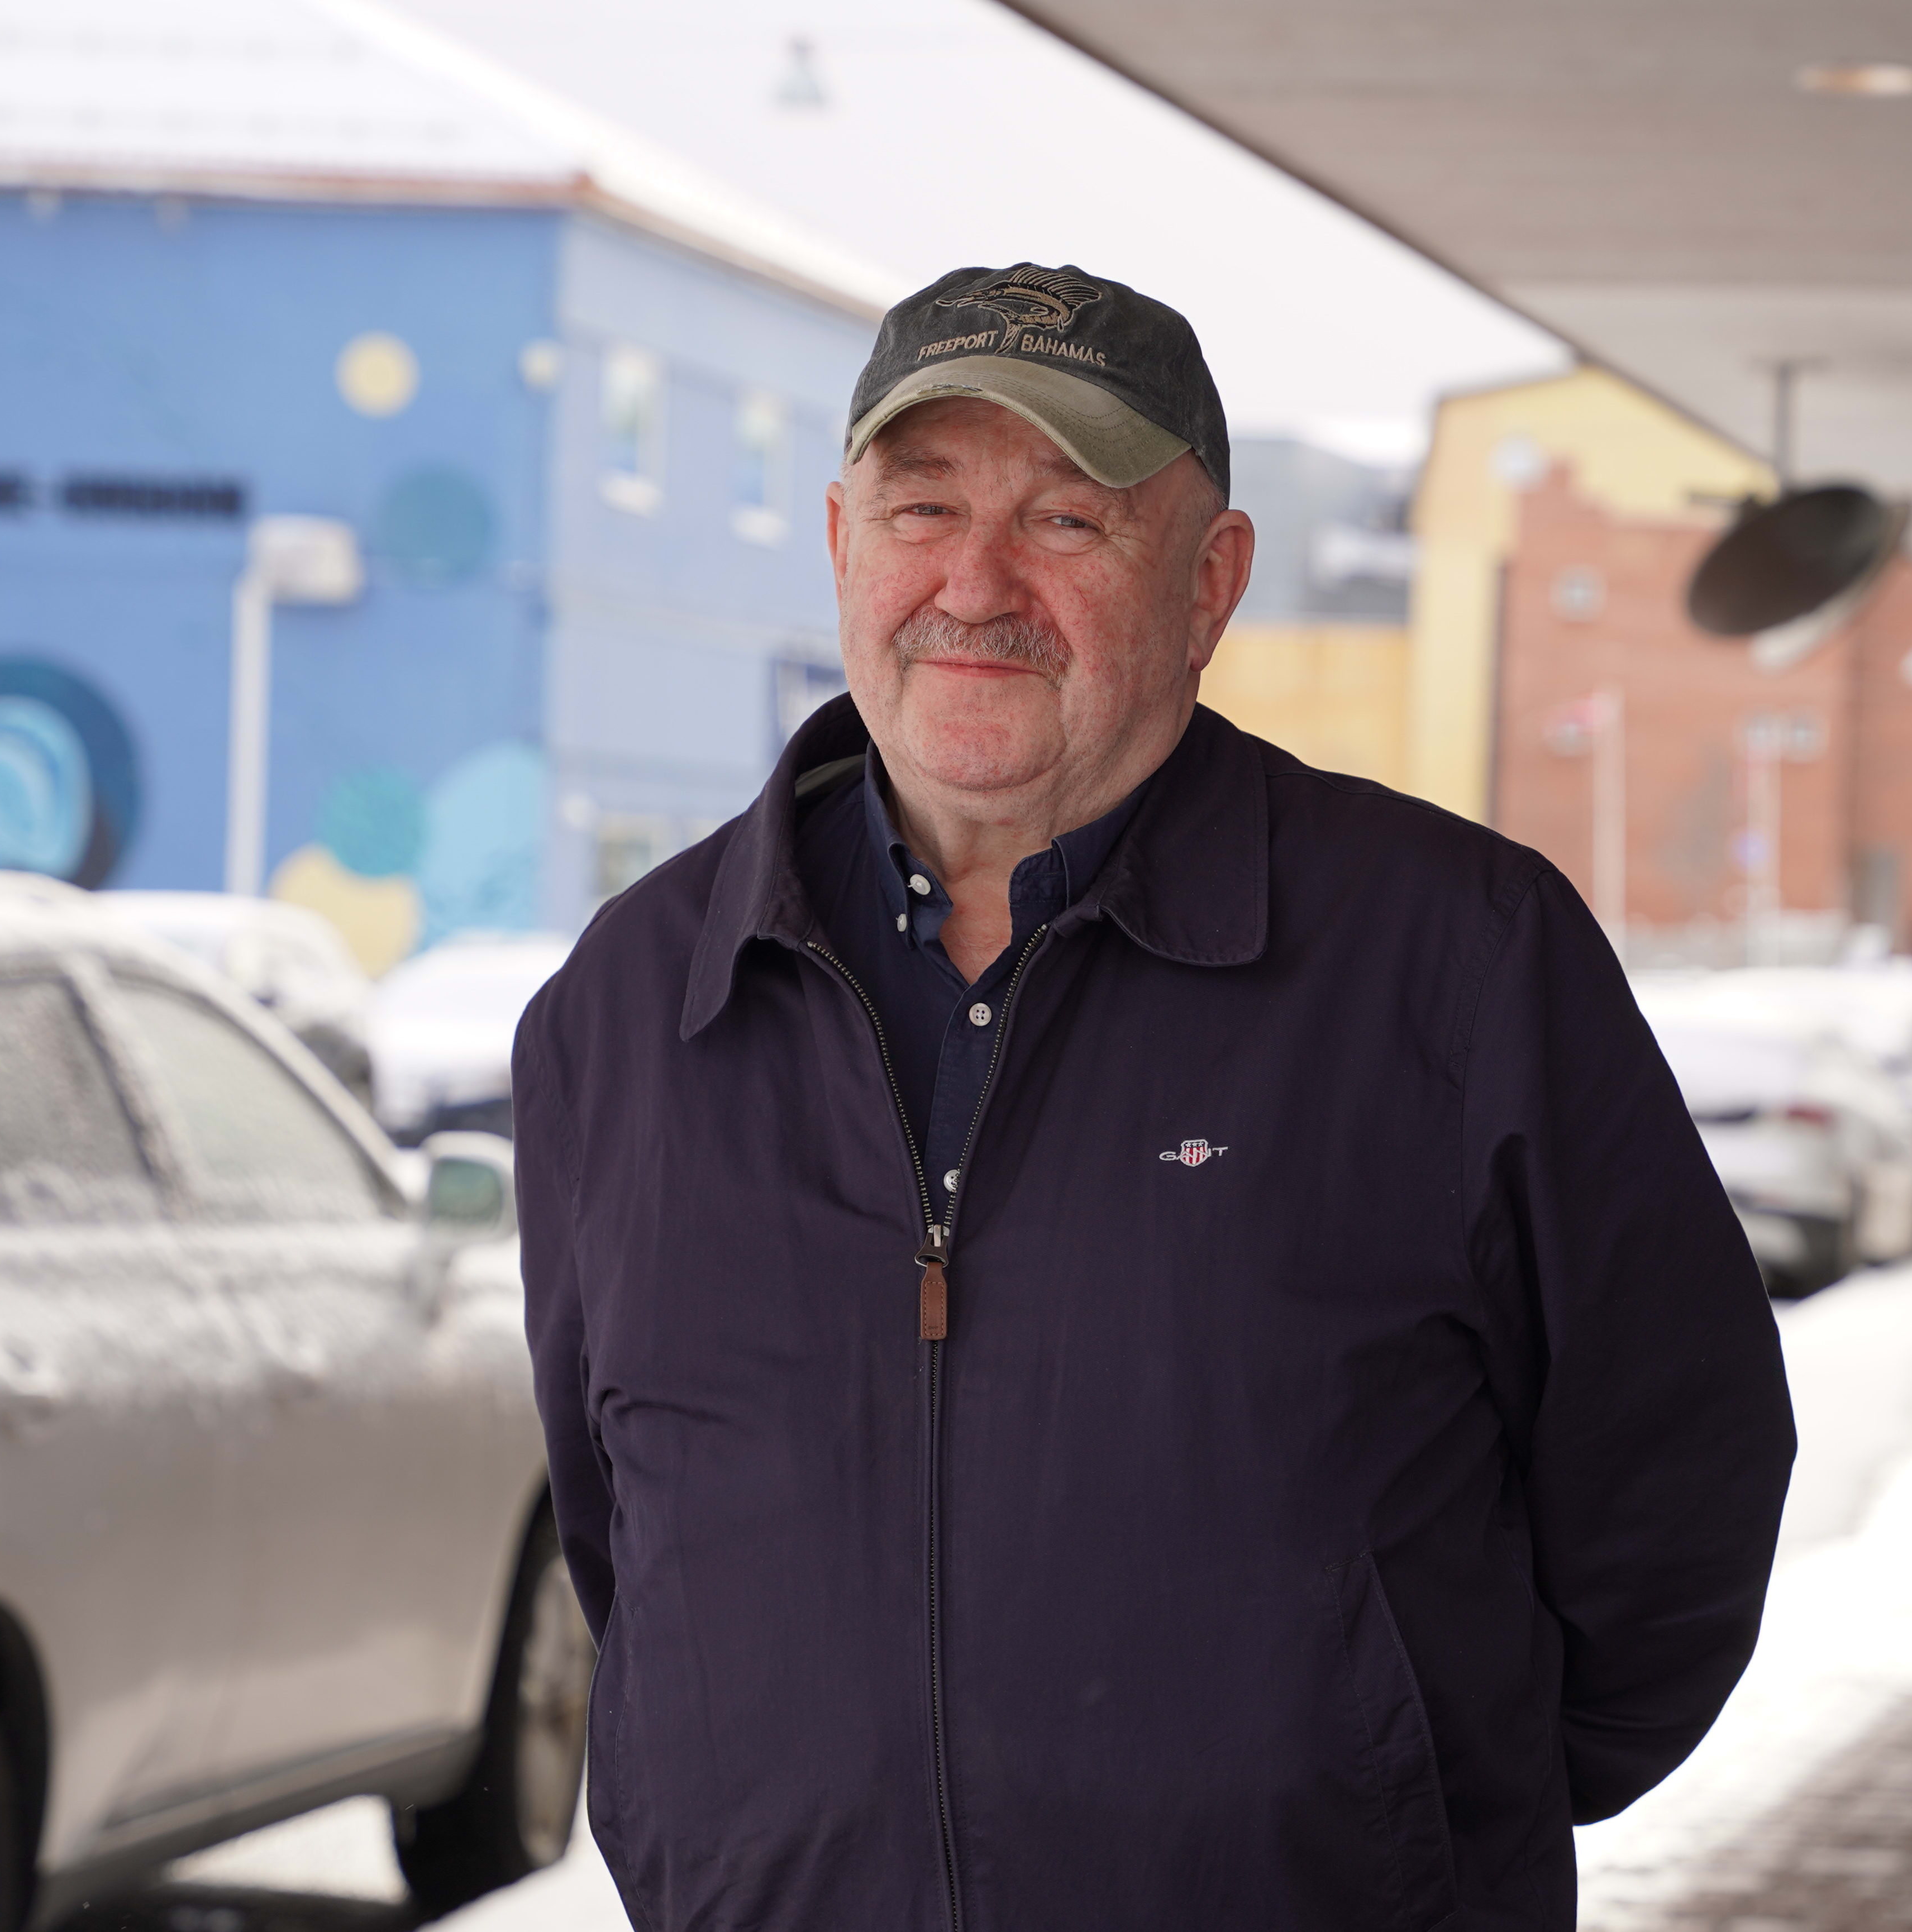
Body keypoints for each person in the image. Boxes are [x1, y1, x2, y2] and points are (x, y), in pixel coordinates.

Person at [514, 263, 1793, 1932]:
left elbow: (1674, 1479)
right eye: (922, 508)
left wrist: (1406, 1817)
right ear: (839, 542)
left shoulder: (1455, 959)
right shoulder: (635, 998)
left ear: (1211, 582)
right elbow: (619, 1527)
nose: (975, 585)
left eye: (1067, 521)